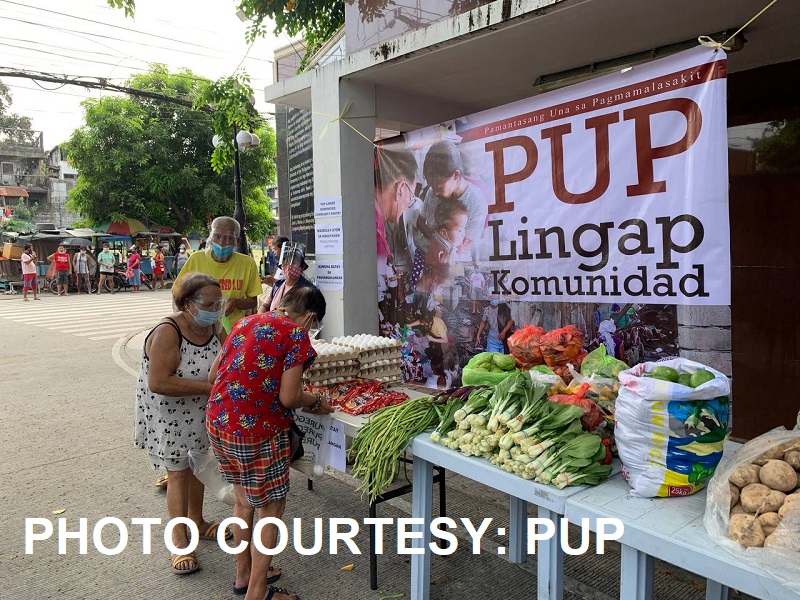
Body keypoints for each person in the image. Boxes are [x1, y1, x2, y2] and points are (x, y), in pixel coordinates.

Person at [207, 286, 334, 600]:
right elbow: (289, 397)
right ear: (311, 317)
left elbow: (214, 375)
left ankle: (244, 575)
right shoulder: (295, 335)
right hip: (258, 432)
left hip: (219, 421)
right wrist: (316, 399)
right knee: (271, 508)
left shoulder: (245, 323)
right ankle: (258, 591)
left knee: (243, 501)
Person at [134, 273, 230, 575]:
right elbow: (159, 382)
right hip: (170, 414)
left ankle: (198, 522)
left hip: (202, 411)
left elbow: (229, 354)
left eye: (219, 302)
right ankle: (179, 540)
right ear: (187, 303)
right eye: (209, 303)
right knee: (178, 473)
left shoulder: (213, 324)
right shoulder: (168, 331)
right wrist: (208, 389)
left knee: (198, 467)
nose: (216, 308)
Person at [174, 217, 262, 333]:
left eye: (228, 238)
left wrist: (235, 302)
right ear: (210, 237)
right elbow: (177, 293)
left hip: (233, 331)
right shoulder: (196, 259)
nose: (221, 242)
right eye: (217, 236)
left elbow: (253, 301)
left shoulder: (247, 263)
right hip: (198, 329)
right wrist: (181, 322)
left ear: (238, 241)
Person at [421, 140, 488, 259]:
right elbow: (421, 222)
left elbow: (464, 248)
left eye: (439, 187)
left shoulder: (477, 201)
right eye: (432, 186)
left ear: (455, 175)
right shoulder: (431, 192)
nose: (435, 192)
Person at [266, 241, 314, 313]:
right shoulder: (278, 285)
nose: (289, 266)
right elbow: (266, 305)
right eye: (286, 261)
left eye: (294, 262)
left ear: (302, 267)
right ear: (281, 265)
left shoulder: (308, 290)